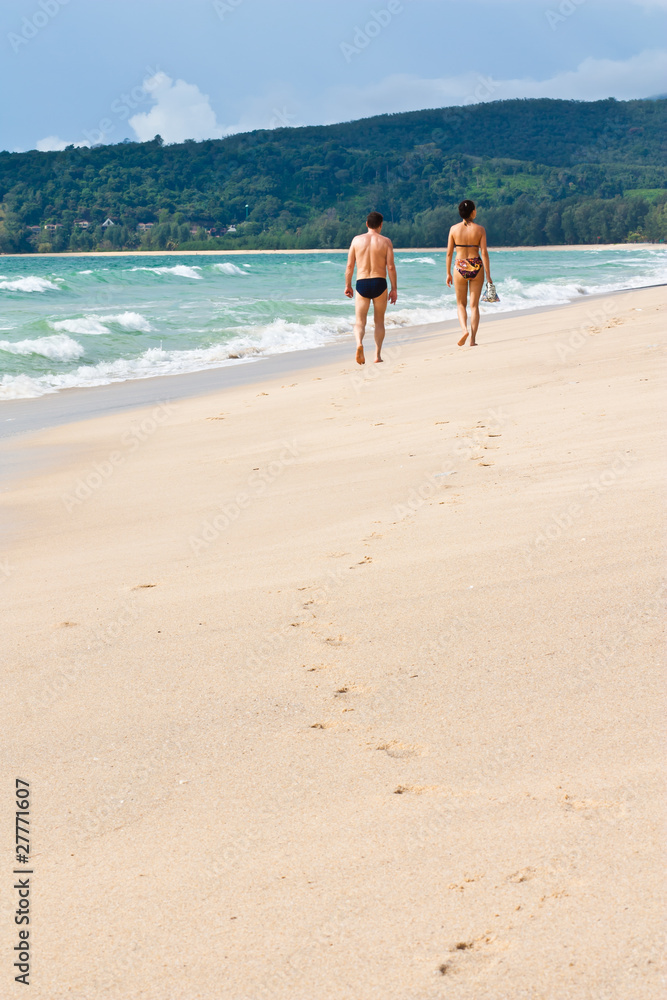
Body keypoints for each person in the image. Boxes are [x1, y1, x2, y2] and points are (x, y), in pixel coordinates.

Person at [345, 211, 398, 364]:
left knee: (360, 321)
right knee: (379, 321)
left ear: (367, 224)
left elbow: (350, 265)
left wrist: (347, 285)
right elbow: (391, 267)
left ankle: (359, 343)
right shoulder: (386, 241)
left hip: (362, 283)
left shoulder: (356, 240)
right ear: (381, 225)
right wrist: (394, 289)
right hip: (379, 282)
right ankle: (377, 355)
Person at [446, 199, 492, 347]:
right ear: (473, 212)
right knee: (474, 306)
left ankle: (464, 330)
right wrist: (488, 275)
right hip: (476, 265)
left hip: (460, 265)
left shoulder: (453, 229)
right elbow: (484, 253)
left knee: (460, 304)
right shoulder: (480, 230)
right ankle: (472, 340)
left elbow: (448, 254)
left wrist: (448, 273)